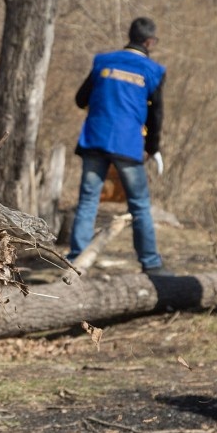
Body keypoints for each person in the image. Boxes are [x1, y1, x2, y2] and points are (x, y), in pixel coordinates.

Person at [66, 17, 170, 275]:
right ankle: (151, 264)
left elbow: (80, 99)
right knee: (139, 205)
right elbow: (156, 115)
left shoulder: (103, 61)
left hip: (95, 138)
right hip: (128, 144)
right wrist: (152, 147)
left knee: (88, 201)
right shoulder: (153, 71)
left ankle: (77, 260)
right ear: (149, 42)